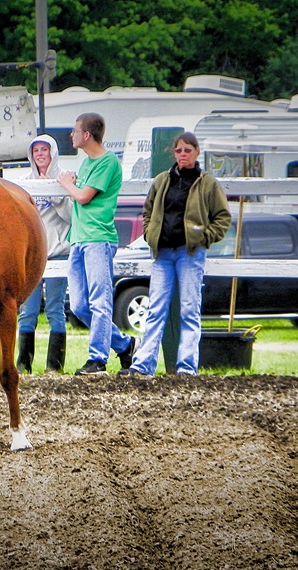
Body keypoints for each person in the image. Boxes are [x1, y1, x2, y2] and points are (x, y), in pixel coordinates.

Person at [119, 132, 231, 377]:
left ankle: (187, 367)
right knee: (156, 309)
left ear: (197, 152)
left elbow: (223, 217)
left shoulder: (207, 183)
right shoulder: (161, 181)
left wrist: (204, 237)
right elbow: (148, 211)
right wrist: (150, 234)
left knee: (189, 309)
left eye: (187, 150)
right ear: (174, 153)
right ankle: (143, 364)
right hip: (163, 253)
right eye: (179, 150)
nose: (183, 155)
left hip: (190, 253)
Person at [57, 112, 137, 375]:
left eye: (75, 130)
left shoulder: (107, 162)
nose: (72, 135)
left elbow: (83, 197)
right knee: (79, 305)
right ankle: (124, 345)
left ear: (87, 135)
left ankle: (98, 359)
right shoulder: (87, 163)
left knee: (99, 301)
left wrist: (68, 183)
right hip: (79, 238)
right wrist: (72, 182)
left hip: (98, 239)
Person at [17, 134, 71, 373]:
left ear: (53, 153)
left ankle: (54, 367)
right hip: (31, 256)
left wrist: (53, 193)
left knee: (55, 309)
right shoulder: (25, 182)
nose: (40, 154)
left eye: (44, 150)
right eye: (36, 150)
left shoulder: (64, 179)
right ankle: (23, 365)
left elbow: (71, 217)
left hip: (57, 253)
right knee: (27, 311)